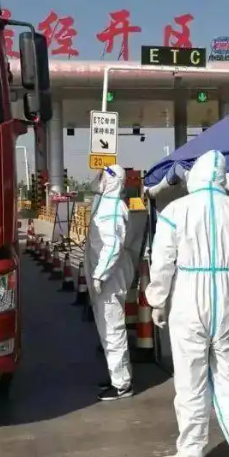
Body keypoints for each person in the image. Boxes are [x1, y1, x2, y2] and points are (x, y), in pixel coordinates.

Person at [146, 150, 229, 457]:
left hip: (188, 296)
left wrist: (157, 300)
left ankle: (190, 452)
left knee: (190, 381)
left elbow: (161, 263)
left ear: (195, 175)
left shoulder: (176, 210)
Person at [83, 164, 134, 401]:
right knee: (107, 329)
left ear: (112, 181)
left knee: (113, 329)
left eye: (103, 176)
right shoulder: (105, 204)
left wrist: (99, 275)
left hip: (110, 279)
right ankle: (116, 376)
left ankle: (122, 384)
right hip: (105, 277)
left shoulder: (113, 208)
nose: (99, 179)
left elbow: (113, 246)